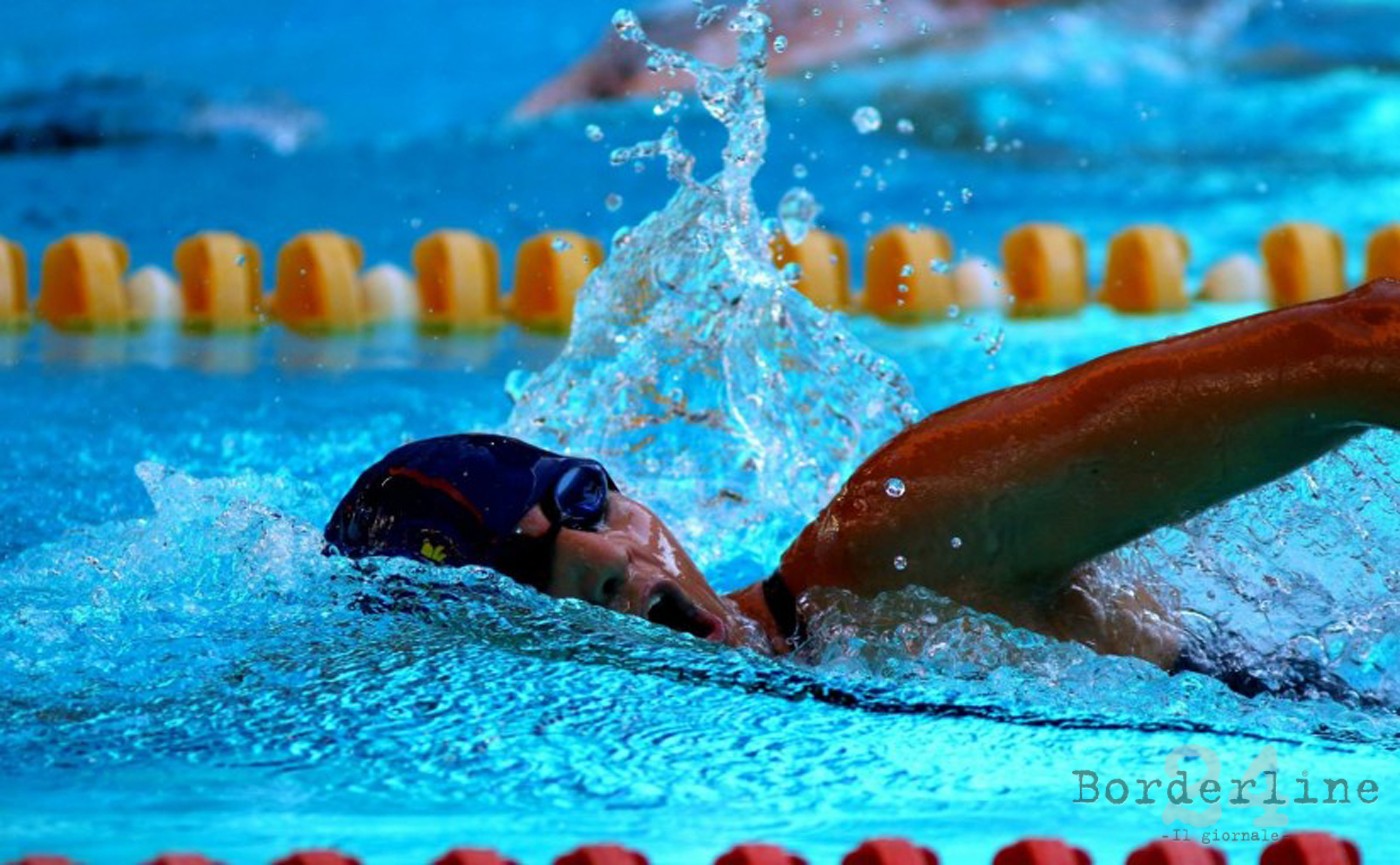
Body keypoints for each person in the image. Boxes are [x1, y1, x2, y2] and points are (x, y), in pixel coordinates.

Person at [325, 278, 1400, 700]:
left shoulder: (899, 540)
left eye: (589, 500)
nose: (614, 562)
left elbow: (1360, 342)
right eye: (529, 569)